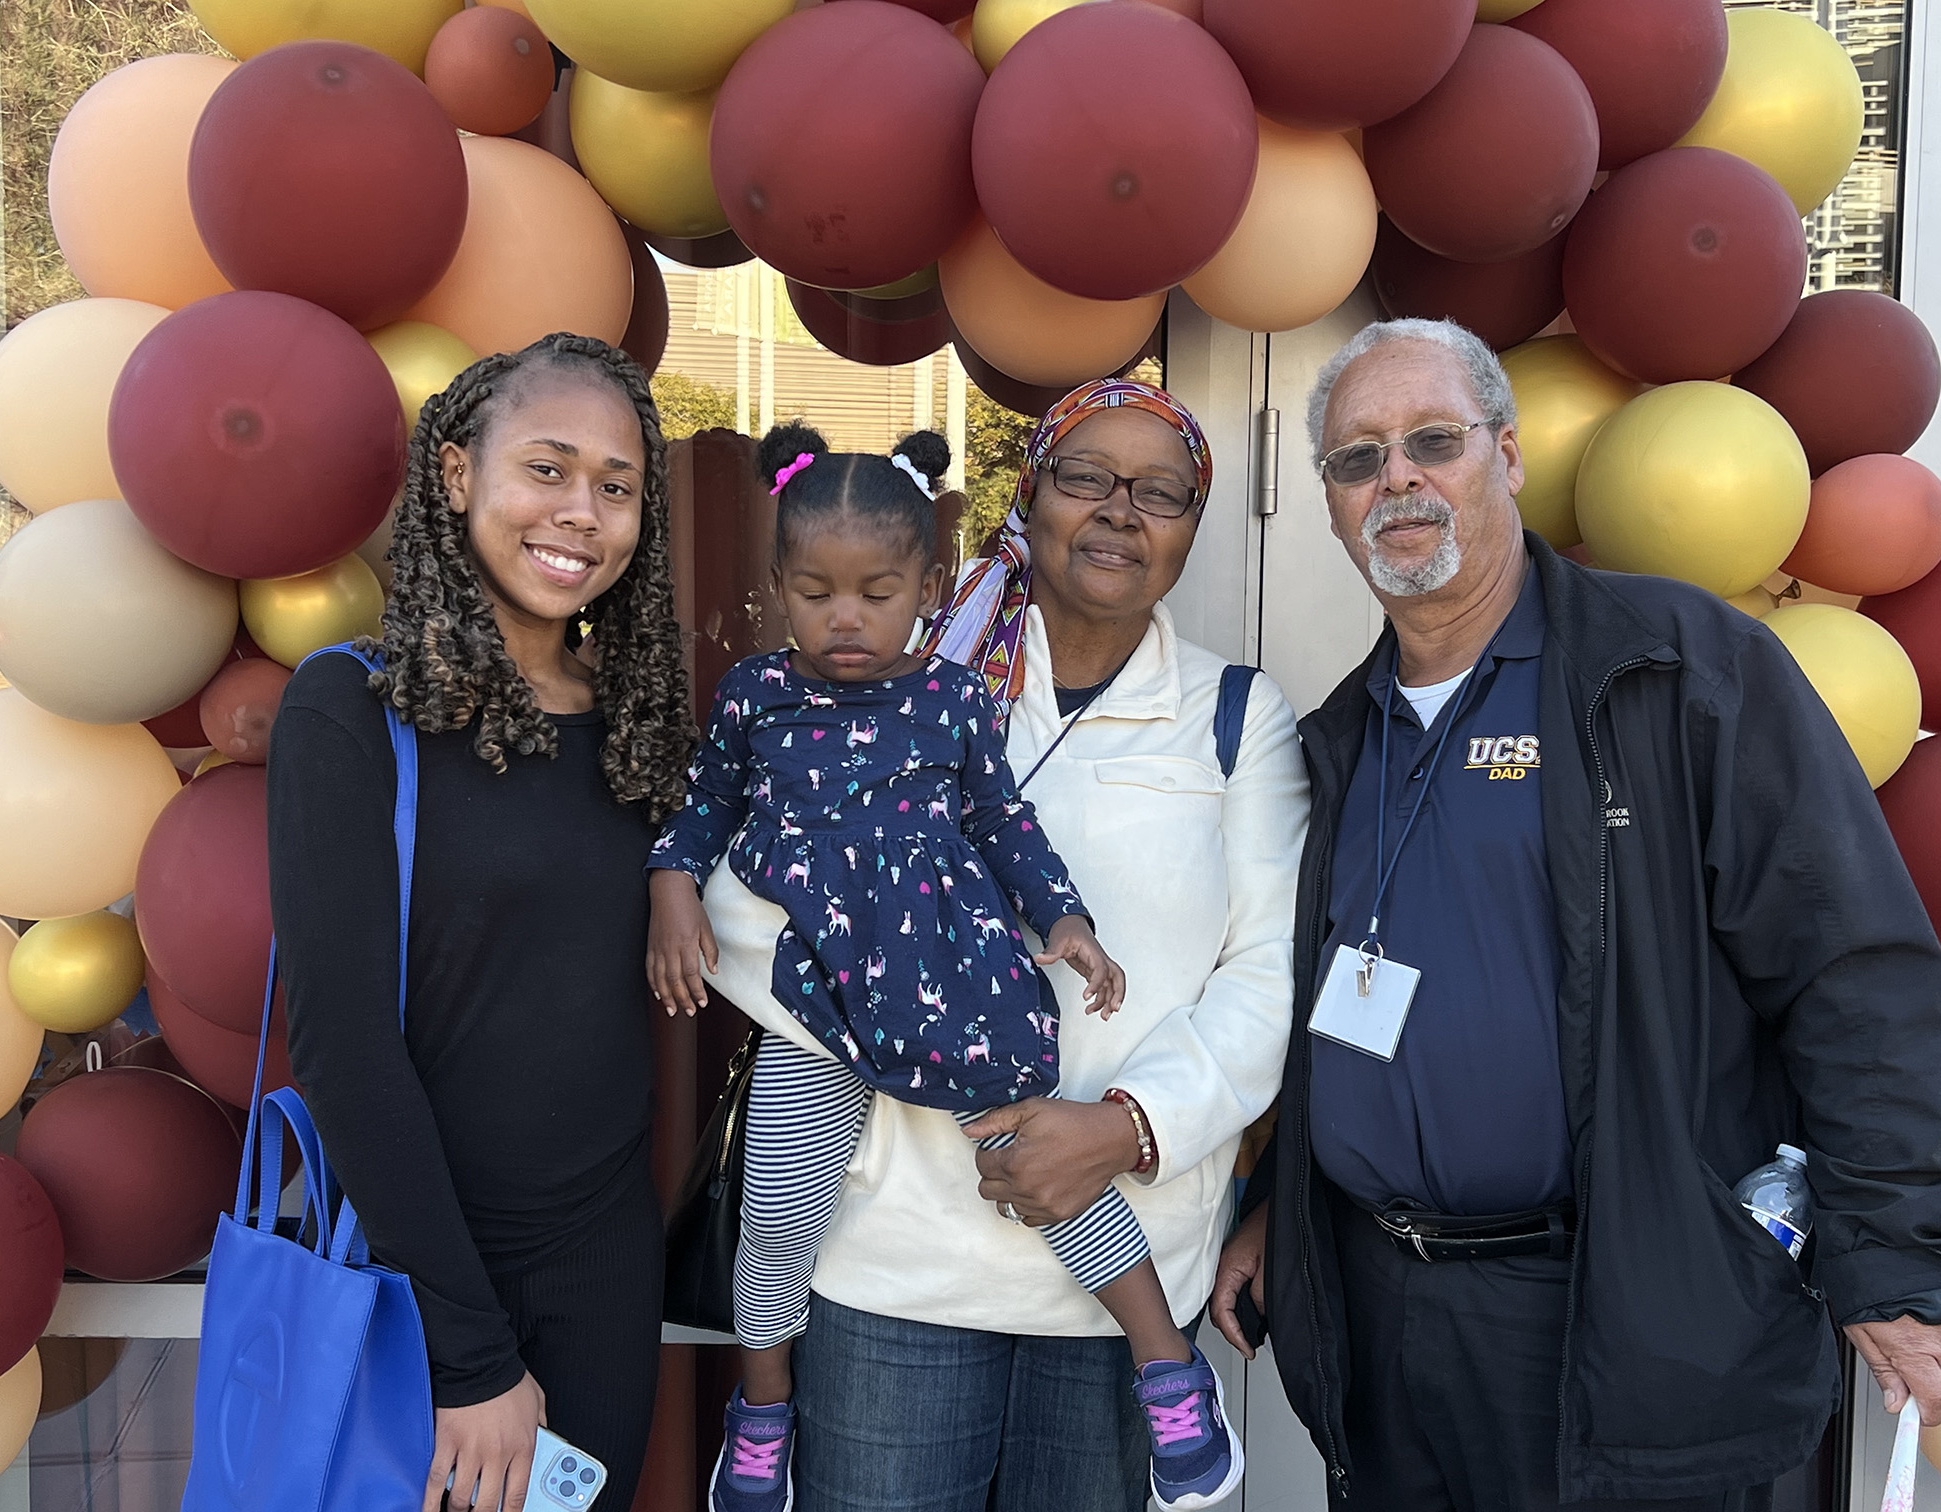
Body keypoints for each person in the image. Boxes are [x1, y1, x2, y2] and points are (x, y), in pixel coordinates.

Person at [1210, 317, 1941, 1511]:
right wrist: (1280, 1214)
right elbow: (1332, 1008)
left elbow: (1853, 966)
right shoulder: (1339, 738)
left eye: (1432, 441)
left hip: (1616, 1308)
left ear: (1508, 455)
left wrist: (1887, 1257)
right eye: (1358, 459)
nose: (1396, 478)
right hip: (1387, 1316)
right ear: (1327, 500)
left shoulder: (1674, 672)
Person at [685, 379, 1308, 1512]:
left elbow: (1267, 979)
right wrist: (895, 1032)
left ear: (1191, 528)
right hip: (893, 1269)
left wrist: (1126, 1129)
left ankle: (1175, 1387)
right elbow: (738, 895)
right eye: (1086, 477)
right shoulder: (896, 685)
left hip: (1120, 1266)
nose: (1121, 511)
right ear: (1032, 495)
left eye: (1161, 492)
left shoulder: (1230, 714)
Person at [270, 333, 694, 1512]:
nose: (582, 513)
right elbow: (345, 1052)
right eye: (547, 470)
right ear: (458, 476)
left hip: (603, 1265)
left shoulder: (640, 725)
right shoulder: (350, 708)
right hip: (426, 1276)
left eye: (617, 486)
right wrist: (468, 1351)